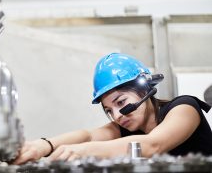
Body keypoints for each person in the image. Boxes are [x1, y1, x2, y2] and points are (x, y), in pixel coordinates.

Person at [13, 53, 212, 165]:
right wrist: (43, 146)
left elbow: (153, 145)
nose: (116, 116)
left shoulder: (185, 108)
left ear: (144, 90)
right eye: (108, 110)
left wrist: (78, 152)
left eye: (120, 102)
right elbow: (88, 136)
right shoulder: (127, 127)